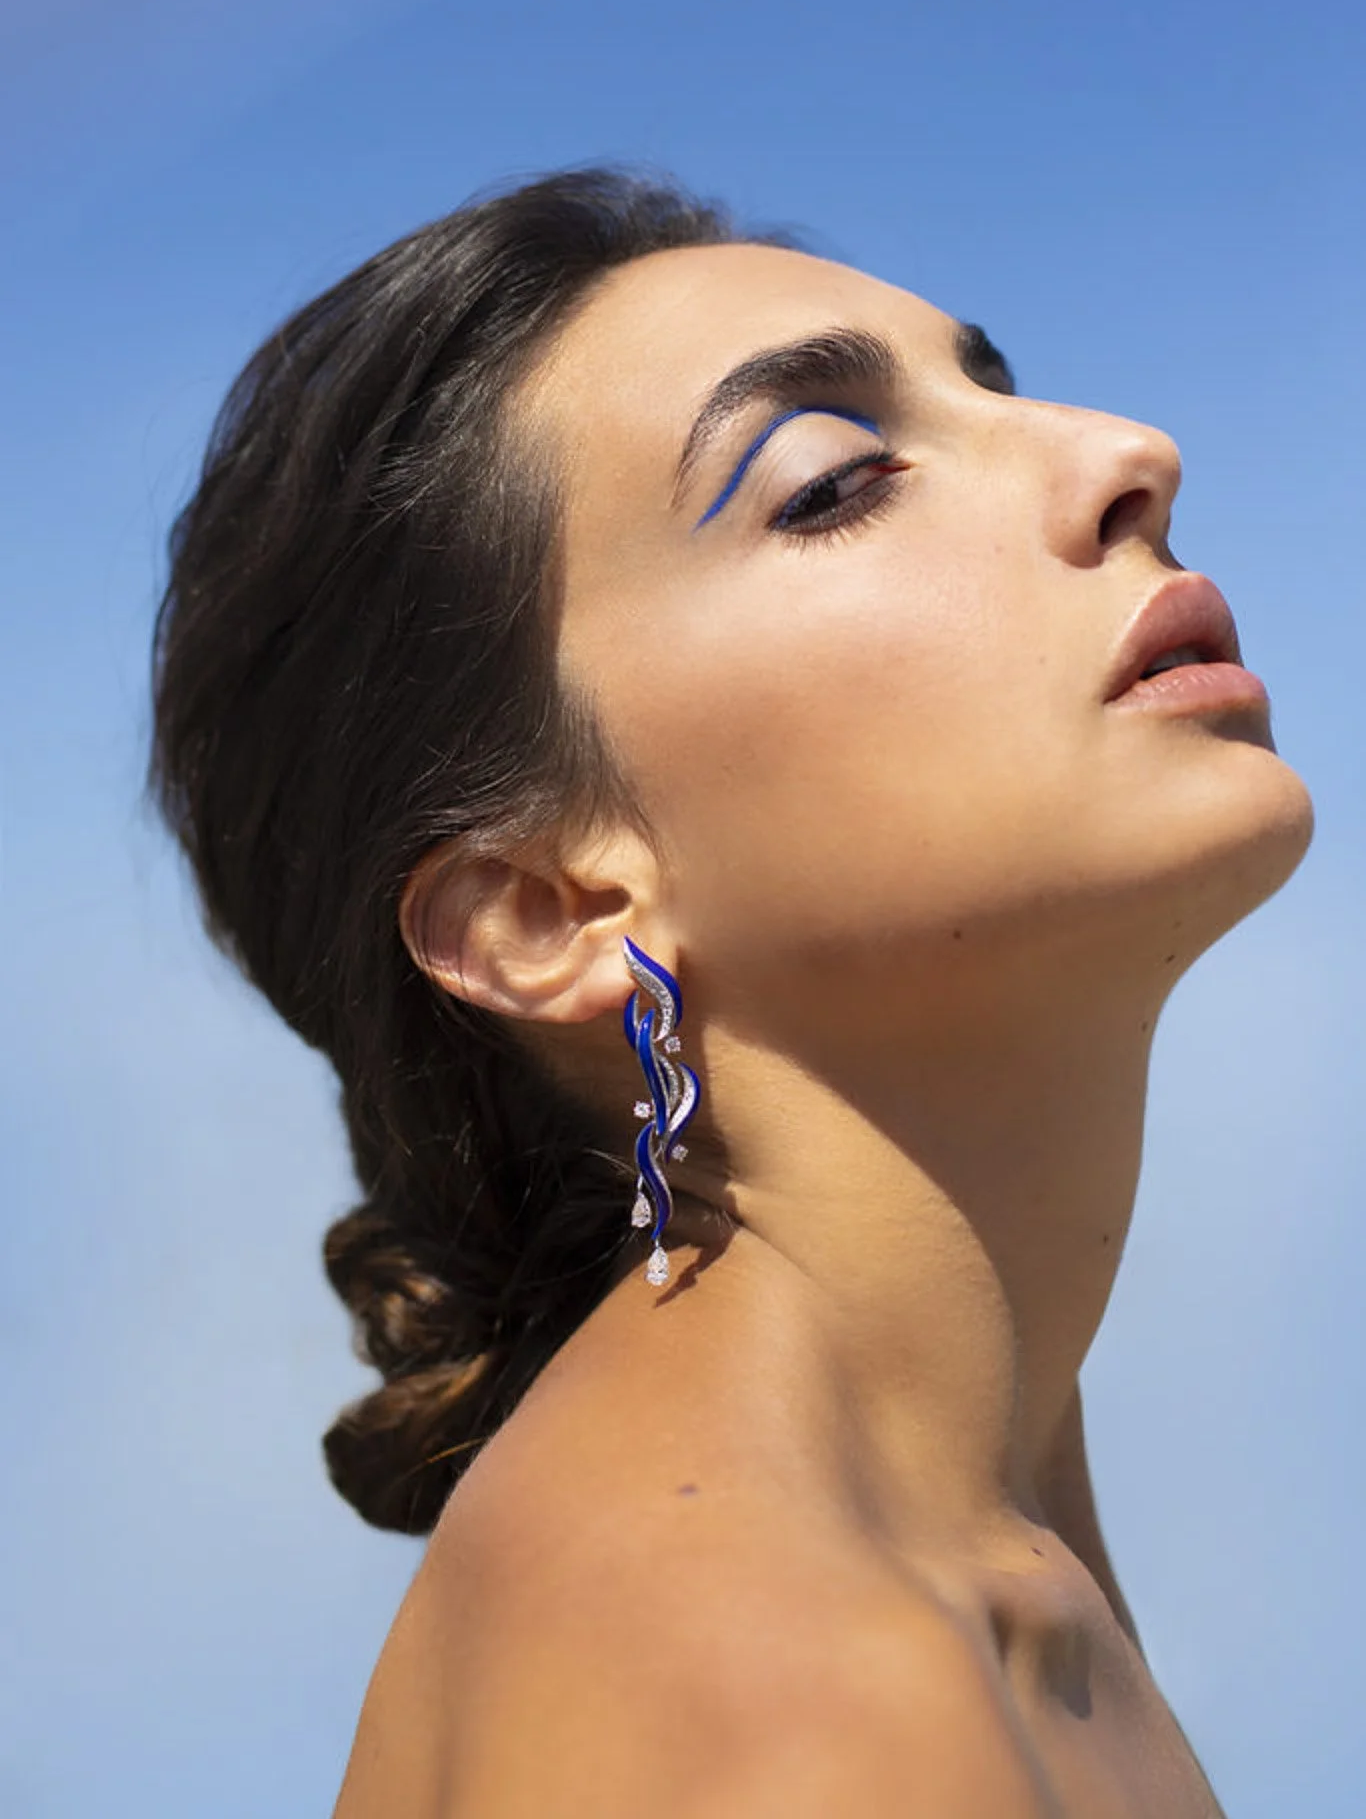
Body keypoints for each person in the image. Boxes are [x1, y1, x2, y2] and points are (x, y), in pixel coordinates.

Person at [150, 168, 1311, 1816]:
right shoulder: (775, 1696)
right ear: (550, 911)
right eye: (835, 484)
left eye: (988, 384)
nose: (1126, 449)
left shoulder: (956, 1525)